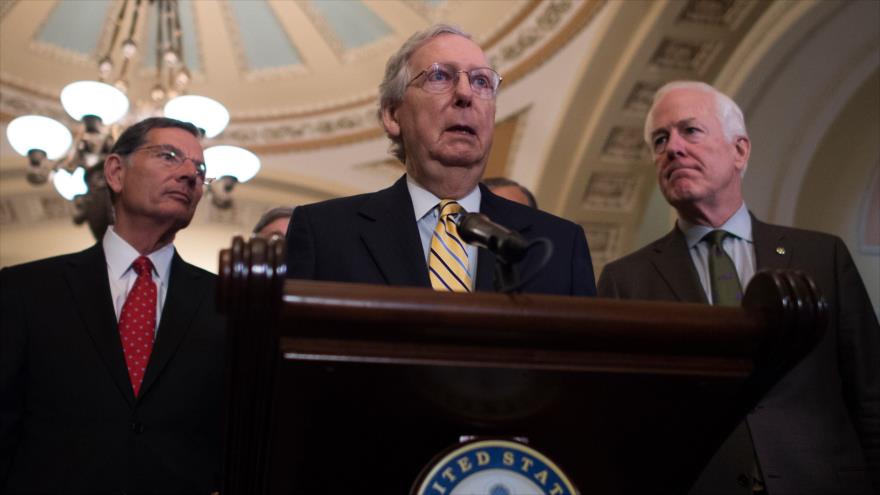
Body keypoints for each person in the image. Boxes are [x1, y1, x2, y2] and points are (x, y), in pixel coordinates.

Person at [597, 81, 879, 494]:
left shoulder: (822, 257)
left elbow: (871, 393)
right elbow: (617, 423)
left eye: (690, 130)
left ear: (740, 151)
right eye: (660, 140)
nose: (673, 148)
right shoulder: (626, 280)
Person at [0, 117, 226, 493]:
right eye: (169, 156)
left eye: (200, 170)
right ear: (116, 173)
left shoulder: (227, 302)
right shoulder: (26, 289)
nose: (190, 174)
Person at [287, 24, 595, 295]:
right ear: (393, 115)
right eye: (439, 76)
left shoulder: (559, 245)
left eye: (481, 82)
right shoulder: (323, 234)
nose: (465, 93)